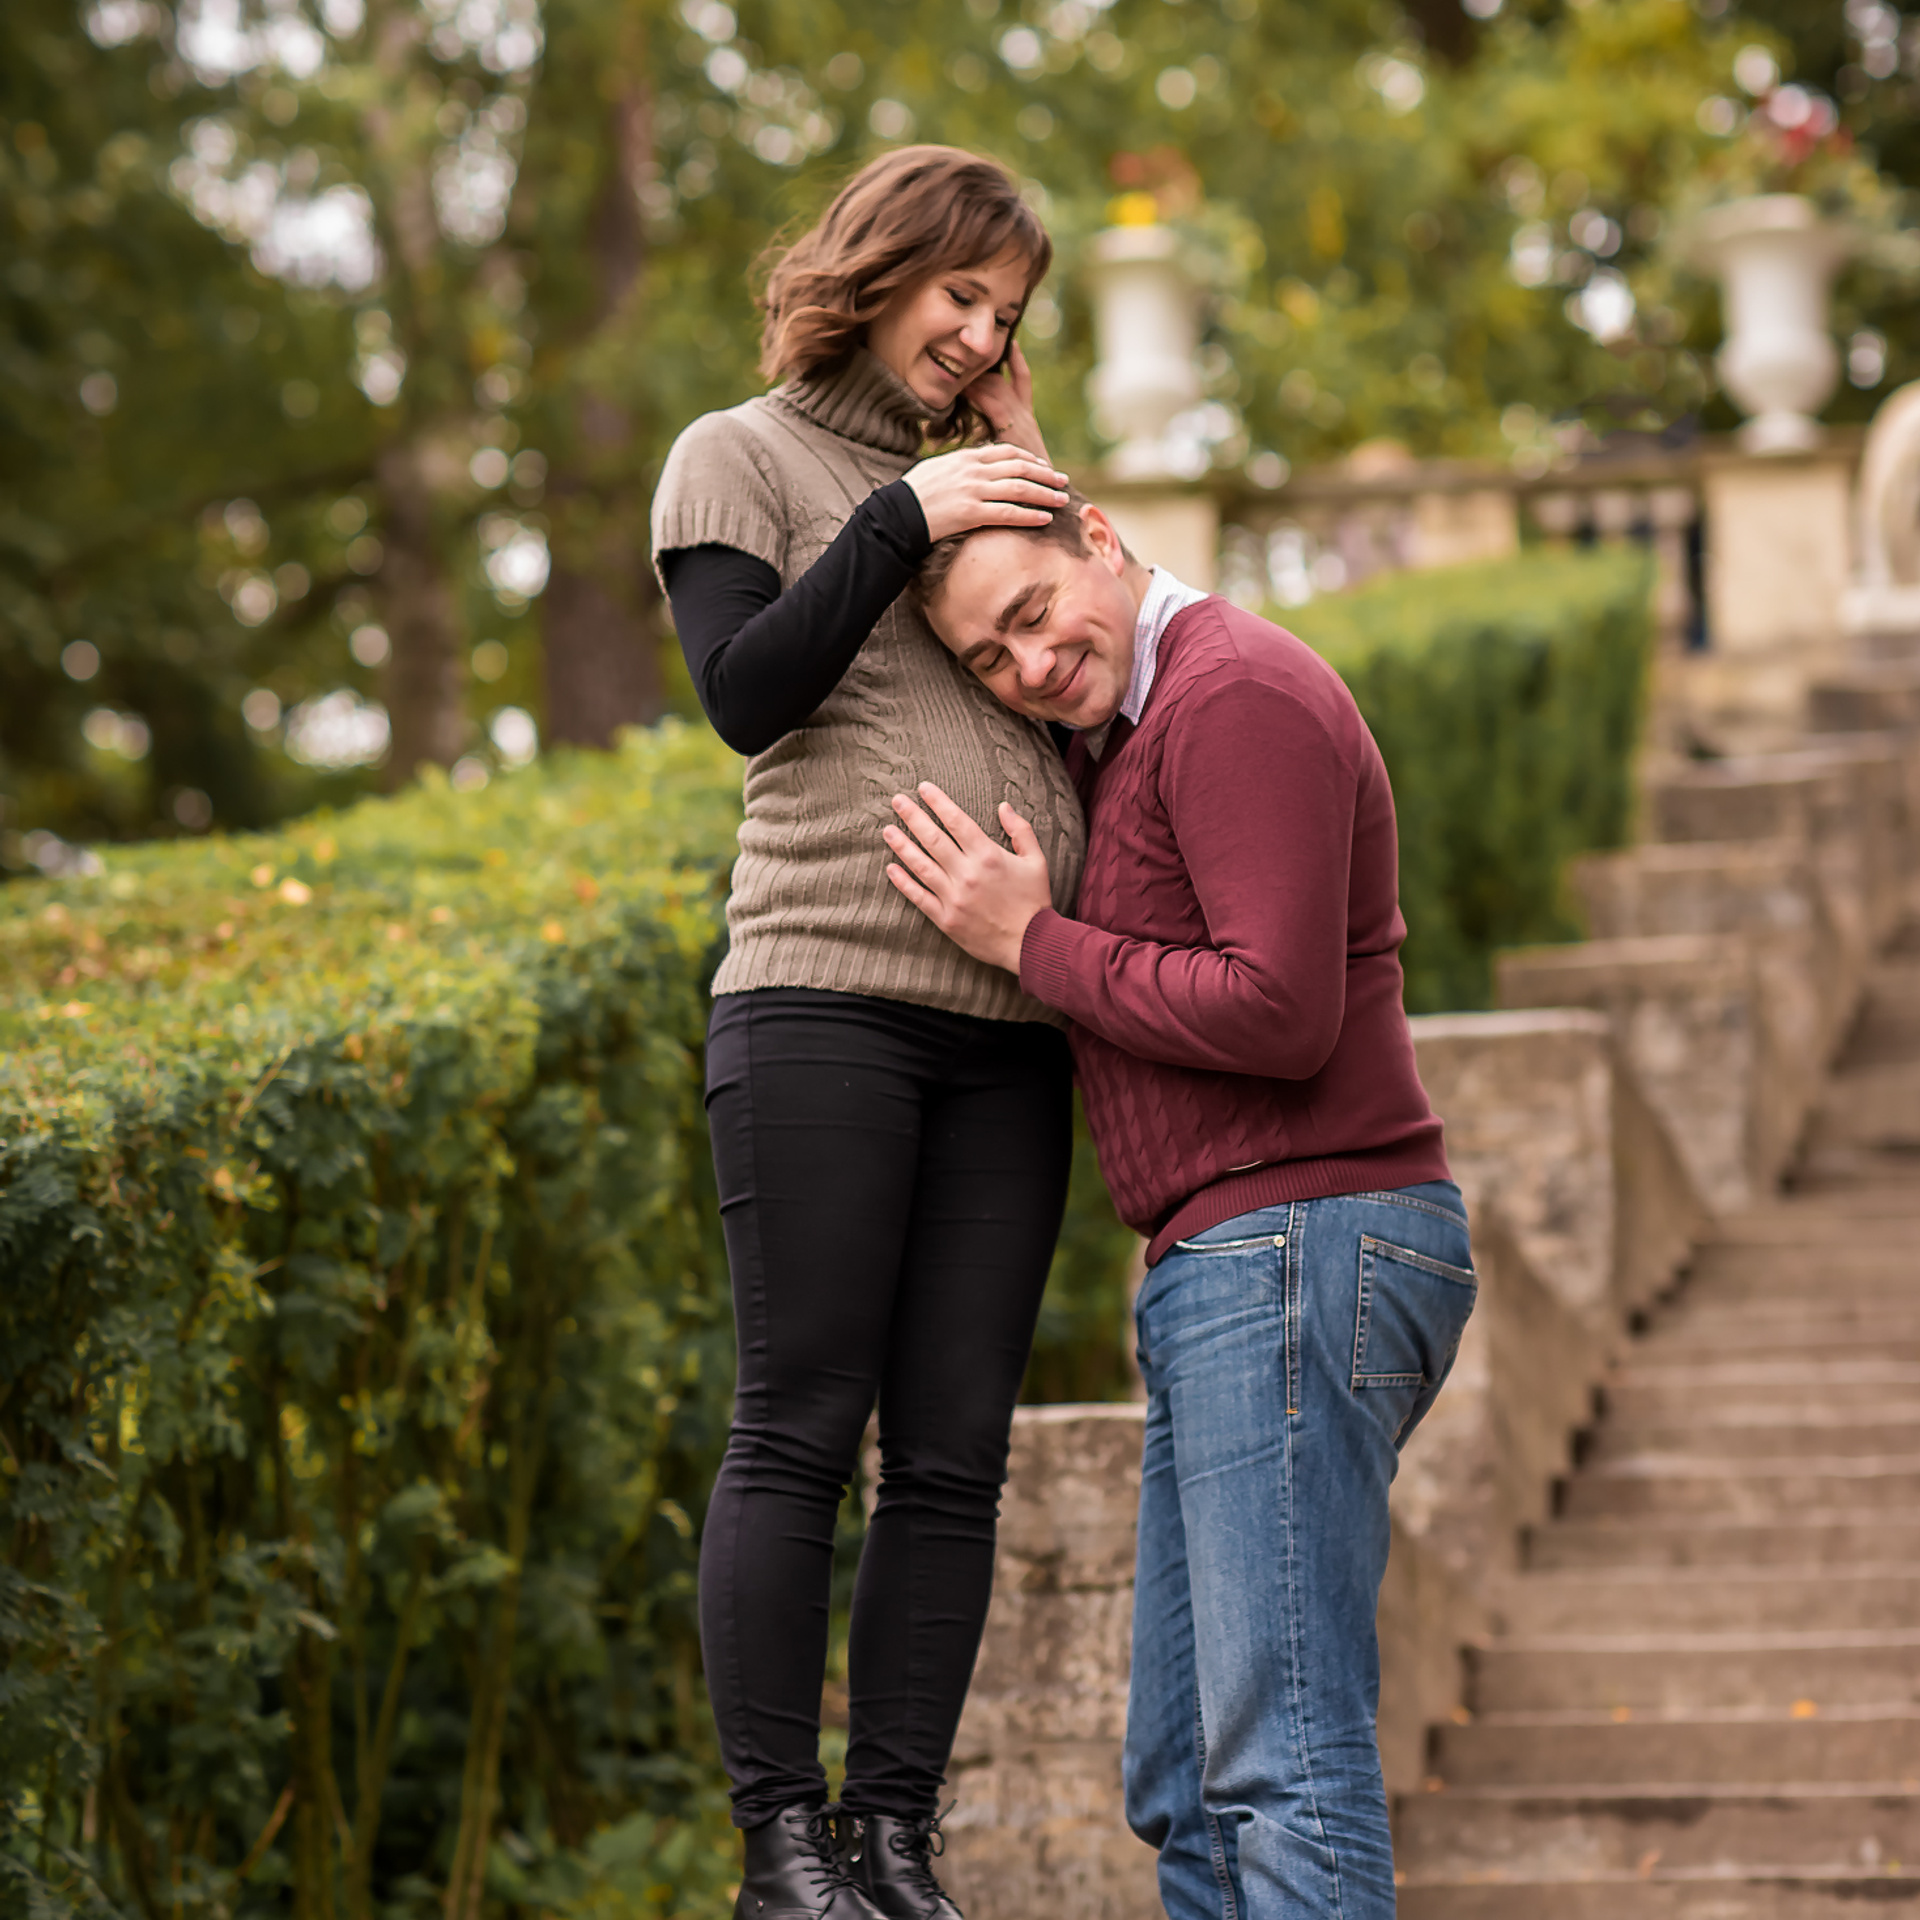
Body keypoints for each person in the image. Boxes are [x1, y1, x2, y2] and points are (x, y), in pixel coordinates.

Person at [878, 495, 1474, 1920]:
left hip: (1299, 1239)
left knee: (1274, 1760)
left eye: (1032, 615)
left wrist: (1032, 942)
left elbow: (1279, 1010)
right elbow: (1033, 542)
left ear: (1100, 536)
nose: (1025, 665)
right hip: (1237, 1260)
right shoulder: (1141, 713)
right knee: (1188, 1777)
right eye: (987, 659)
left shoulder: (1233, 694)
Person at [648, 147, 1088, 1920]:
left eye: (1006, 315)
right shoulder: (733, 455)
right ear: (882, 266)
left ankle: (896, 1843)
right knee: (802, 1427)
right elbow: (748, 699)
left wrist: (1033, 489)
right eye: (960, 294)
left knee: (958, 1452)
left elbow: (1080, 666)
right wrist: (903, 521)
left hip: (1014, 1021)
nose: (979, 332)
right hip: (823, 996)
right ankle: (783, 1851)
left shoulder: (986, 471)